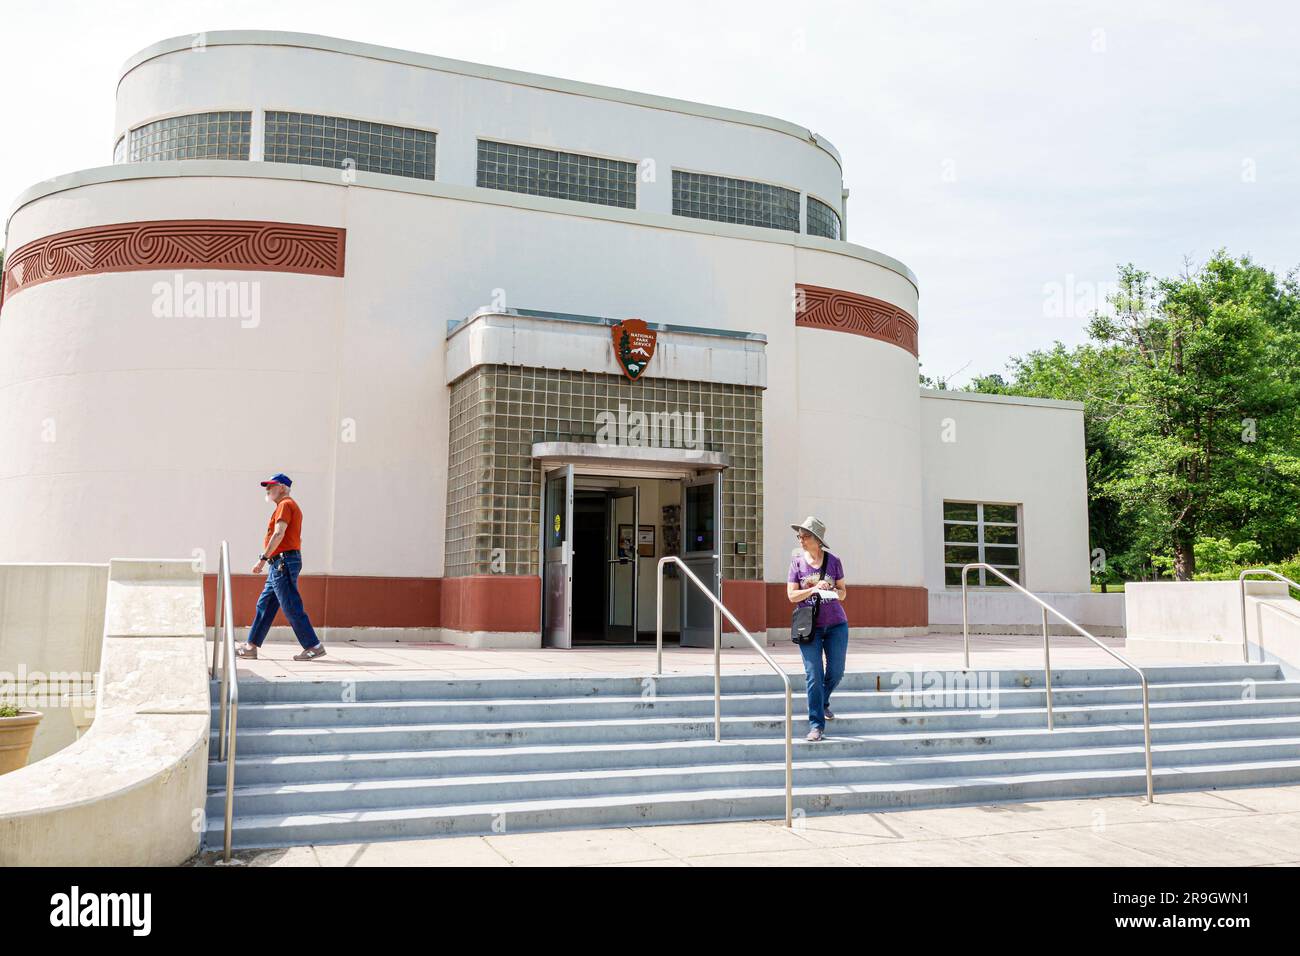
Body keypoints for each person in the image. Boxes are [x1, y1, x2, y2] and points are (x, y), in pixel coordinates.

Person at [235, 473, 327, 661]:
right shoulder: (284, 506)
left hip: (282, 563)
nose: (267, 489)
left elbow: (279, 534)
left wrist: (263, 559)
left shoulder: (285, 504)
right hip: (279, 563)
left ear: (283, 488)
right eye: (266, 486)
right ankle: (251, 646)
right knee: (265, 604)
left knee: (291, 604)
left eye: (271, 486)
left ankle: (313, 645)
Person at [787, 515, 847, 741]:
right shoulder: (796, 562)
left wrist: (831, 588)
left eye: (805, 536)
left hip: (836, 624)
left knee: (836, 672)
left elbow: (843, 592)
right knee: (814, 674)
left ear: (817, 539)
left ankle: (822, 701)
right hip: (808, 626)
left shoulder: (833, 561)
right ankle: (816, 725)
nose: (800, 539)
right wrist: (812, 590)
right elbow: (791, 596)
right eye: (799, 535)